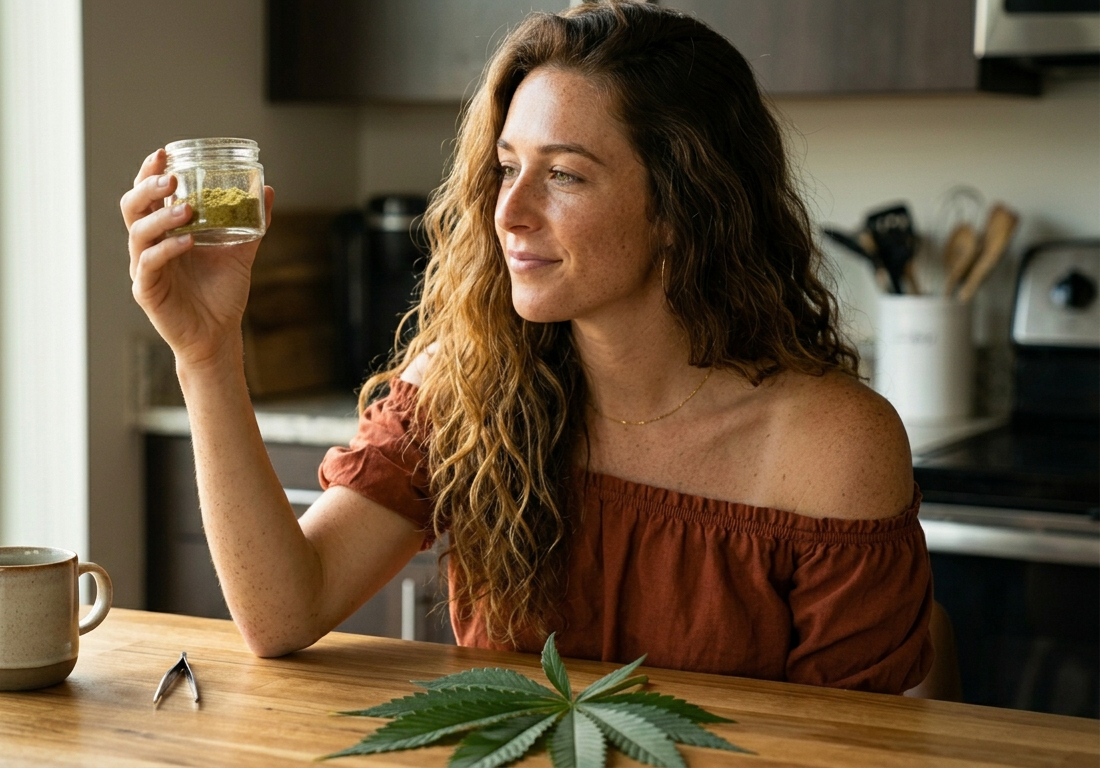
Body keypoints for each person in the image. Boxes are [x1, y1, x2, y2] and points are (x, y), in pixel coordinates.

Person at [120, 0, 933, 694]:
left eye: (565, 175)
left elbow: (860, 743)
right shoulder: (467, 384)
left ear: (686, 205)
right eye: (507, 168)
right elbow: (282, 613)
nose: (508, 213)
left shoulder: (832, 444)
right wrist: (206, 351)